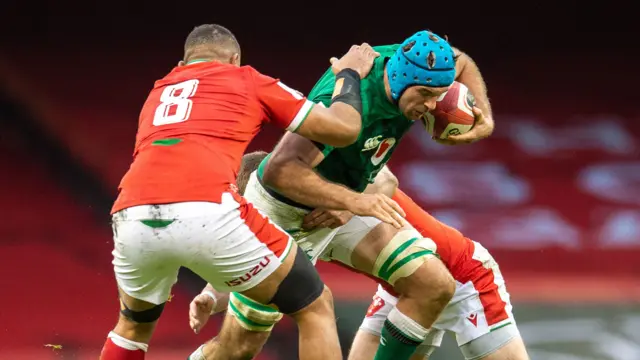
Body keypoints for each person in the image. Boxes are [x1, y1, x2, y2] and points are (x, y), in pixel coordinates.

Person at [188, 29, 496, 360]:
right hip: (286, 215)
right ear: (402, 77)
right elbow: (280, 169)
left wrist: (486, 117)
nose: (433, 106)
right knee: (237, 349)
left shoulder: (411, 61)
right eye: (425, 94)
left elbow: (459, 60)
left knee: (433, 285)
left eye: (439, 94)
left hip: (342, 205)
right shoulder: (354, 101)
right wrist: (354, 201)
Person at [99, 23, 403, 360]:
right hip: (207, 209)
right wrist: (348, 75)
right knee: (314, 305)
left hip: (131, 214)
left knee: (132, 328)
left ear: (184, 63)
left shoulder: (159, 90)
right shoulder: (246, 79)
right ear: (234, 58)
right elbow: (343, 130)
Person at [190, 152, 530, 360]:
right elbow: (251, 263)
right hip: (398, 290)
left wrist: (350, 204)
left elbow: (387, 179)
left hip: (465, 278)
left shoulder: (318, 188)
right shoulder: (275, 224)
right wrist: (209, 294)